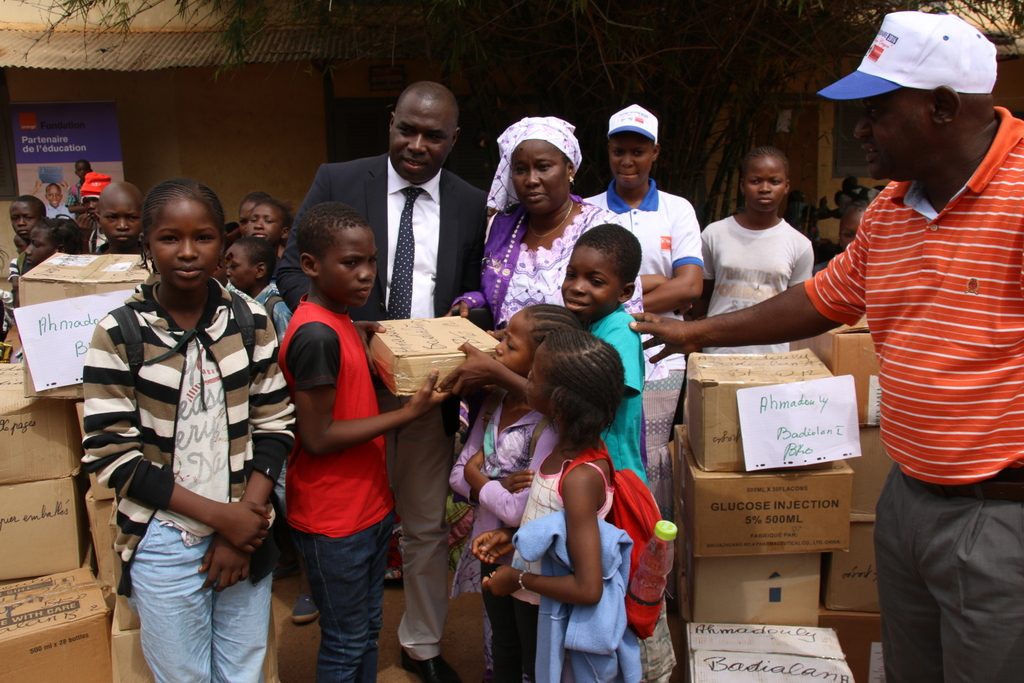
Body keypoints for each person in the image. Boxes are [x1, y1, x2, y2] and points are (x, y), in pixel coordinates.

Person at [632, 11, 1024, 682]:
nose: (859, 129)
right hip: (908, 498)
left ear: (941, 107)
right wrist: (695, 333)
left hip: (1001, 515)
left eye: (876, 110)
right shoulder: (892, 210)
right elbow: (822, 296)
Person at [276, 81, 486, 683]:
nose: (417, 145)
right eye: (406, 130)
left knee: (423, 525)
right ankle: (342, 622)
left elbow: (472, 287)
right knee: (351, 520)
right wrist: (340, 326)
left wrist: (467, 312)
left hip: (425, 393)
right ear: (390, 122)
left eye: (433, 136)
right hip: (345, 387)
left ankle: (421, 645)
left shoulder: (470, 202)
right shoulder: (339, 180)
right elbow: (295, 268)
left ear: (454, 141)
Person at [80, 178, 295, 682]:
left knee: (243, 671)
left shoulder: (250, 320)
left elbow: (275, 422)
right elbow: (113, 455)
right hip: (163, 536)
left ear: (224, 243)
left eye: (202, 237)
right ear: (147, 245)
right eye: (169, 238)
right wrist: (220, 518)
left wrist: (243, 521)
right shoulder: (119, 333)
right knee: (184, 675)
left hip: (246, 525)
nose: (187, 252)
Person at [279, 201, 448, 680]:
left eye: (372, 261)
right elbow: (318, 436)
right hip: (334, 520)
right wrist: (407, 415)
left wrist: (357, 330)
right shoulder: (316, 335)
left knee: (367, 628)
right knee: (345, 641)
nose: (366, 274)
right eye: (350, 263)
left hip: (366, 508)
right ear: (310, 265)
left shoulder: (340, 322)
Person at [475, 328, 640, 682]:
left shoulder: (580, 477)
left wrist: (517, 577)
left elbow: (588, 586)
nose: (527, 378)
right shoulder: (558, 451)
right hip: (532, 599)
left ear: (560, 402)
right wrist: (512, 535)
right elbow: (555, 525)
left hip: (550, 613)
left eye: (535, 376)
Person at [449, 304, 580, 682]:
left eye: (510, 342)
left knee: (534, 652)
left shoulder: (550, 426)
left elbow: (516, 508)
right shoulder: (495, 403)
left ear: (542, 361)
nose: (498, 345)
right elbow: (457, 474)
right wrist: (490, 485)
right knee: (502, 643)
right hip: (490, 550)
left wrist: (481, 481)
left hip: (531, 562)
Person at [585, 104, 703, 519]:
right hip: (600, 355)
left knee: (650, 456)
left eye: (638, 151)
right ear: (608, 151)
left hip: (661, 355)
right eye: (619, 151)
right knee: (604, 450)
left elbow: (690, 285)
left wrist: (613, 299)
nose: (628, 160)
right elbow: (585, 287)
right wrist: (658, 287)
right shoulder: (588, 210)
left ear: (656, 153)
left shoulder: (677, 209)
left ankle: (650, 553)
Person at [450, 116, 625, 329]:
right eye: (521, 169)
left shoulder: (601, 228)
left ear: (570, 168)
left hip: (581, 358)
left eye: (543, 167)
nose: (531, 180)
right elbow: (497, 294)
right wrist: (471, 302)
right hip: (505, 357)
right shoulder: (503, 226)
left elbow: (623, 314)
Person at [697, 146, 813, 354]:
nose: (765, 188)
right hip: (718, 353)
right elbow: (702, 297)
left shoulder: (799, 244)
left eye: (774, 181)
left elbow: (798, 309)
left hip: (772, 356)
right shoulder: (714, 234)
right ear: (742, 186)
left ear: (786, 187)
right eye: (756, 181)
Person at [561, 224, 645, 480]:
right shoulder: (579, 323)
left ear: (625, 292)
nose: (577, 287)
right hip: (585, 468)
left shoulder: (621, 331)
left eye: (595, 281)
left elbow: (590, 397)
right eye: (571, 275)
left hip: (614, 474)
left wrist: (503, 375)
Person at [225, 236, 291, 338]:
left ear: (260, 271)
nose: (227, 272)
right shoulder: (234, 304)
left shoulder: (278, 310)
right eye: (226, 266)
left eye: (233, 266)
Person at [813, 200, 866, 274]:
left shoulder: (883, 276)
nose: (855, 241)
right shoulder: (821, 273)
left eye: (862, 235)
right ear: (840, 237)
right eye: (848, 235)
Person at [96, 181, 144, 255]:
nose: (122, 226)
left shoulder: (159, 264)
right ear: (98, 219)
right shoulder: (90, 263)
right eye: (112, 217)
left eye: (132, 217)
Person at [77, 171, 112, 253]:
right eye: (86, 201)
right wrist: (83, 237)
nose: (90, 206)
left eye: (95, 200)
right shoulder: (91, 233)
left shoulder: (121, 230)